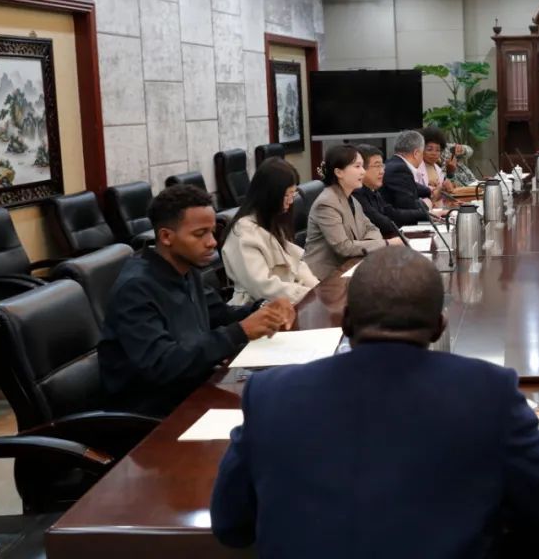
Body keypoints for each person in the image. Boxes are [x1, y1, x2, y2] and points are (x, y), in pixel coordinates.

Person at [211, 246, 539, 558]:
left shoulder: (270, 394)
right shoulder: (488, 393)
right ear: (439, 326)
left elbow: (231, 526)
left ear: (345, 322)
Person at [100, 184, 294, 417]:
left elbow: (220, 315)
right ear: (166, 237)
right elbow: (162, 364)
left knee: (286, 391)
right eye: (200, 234)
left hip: (195, 387)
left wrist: (264, 309)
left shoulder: (185, 269)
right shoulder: (135, 289)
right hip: (155, 413)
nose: (212, 242)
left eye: (212, 232)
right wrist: (240, 331)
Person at [221, 157, 319, 305]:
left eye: (293, 194)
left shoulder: (271, 220)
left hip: (289, 298)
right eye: (286, 195)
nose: (291, 201)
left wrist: (318, 288)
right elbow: (263, 287)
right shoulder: (243, 232)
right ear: (269, 195)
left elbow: (296, 265)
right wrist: (309, 294)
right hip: (257, 307)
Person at [304, 145, 400, 281]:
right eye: (357, 166)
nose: (363, 172)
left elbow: (371, 228)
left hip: (349, 267)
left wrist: (367, 244)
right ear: (339, 172)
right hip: (324, 278)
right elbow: (343, 247)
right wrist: (387, 243)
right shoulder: (326, 203)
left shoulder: (351, 198)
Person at [353, 144, 430, 238]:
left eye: (382, 166)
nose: (382, 171)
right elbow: (383, 223)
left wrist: (427, 214)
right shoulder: (356, 193)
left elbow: (392, 213)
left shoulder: (374, 191)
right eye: (377, 166)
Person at [382, 130, 433, 211]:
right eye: (422, 153)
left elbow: (409, 186)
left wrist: (430, 190)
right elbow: (409, 206)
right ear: (416, 153)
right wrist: (427, 204)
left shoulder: (393, 163)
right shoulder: (399, 169)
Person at [422, 126, 454, 199]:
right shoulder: (416, 168)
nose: (434, 153)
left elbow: (443, 191)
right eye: (429, 149)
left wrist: (446, 186)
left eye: (437, 150)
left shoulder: (438, 169)